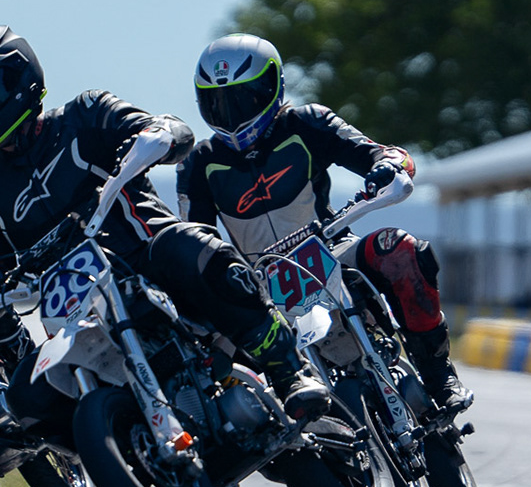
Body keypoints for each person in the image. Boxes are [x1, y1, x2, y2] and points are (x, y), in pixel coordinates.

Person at [0, 26, 331, 431]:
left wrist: (158, 135)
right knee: (24, 396)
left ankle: (290, 370)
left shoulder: (85, 113)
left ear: (16, 81)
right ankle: (111, 448)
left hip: (150, 263)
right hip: (75, 311)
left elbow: (169, 131)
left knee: (185, 245)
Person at [175, 34, 473, 413]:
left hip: (330, 249)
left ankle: (438, 374)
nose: (232, 114)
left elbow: (386, 154)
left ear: (272, 87)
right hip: (259, 285)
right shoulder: (197, 164)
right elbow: (195, 244)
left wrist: (388, 166)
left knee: (400, 251)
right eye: (219, 103)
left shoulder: (308, 122)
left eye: (243, 99)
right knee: (201, 359)